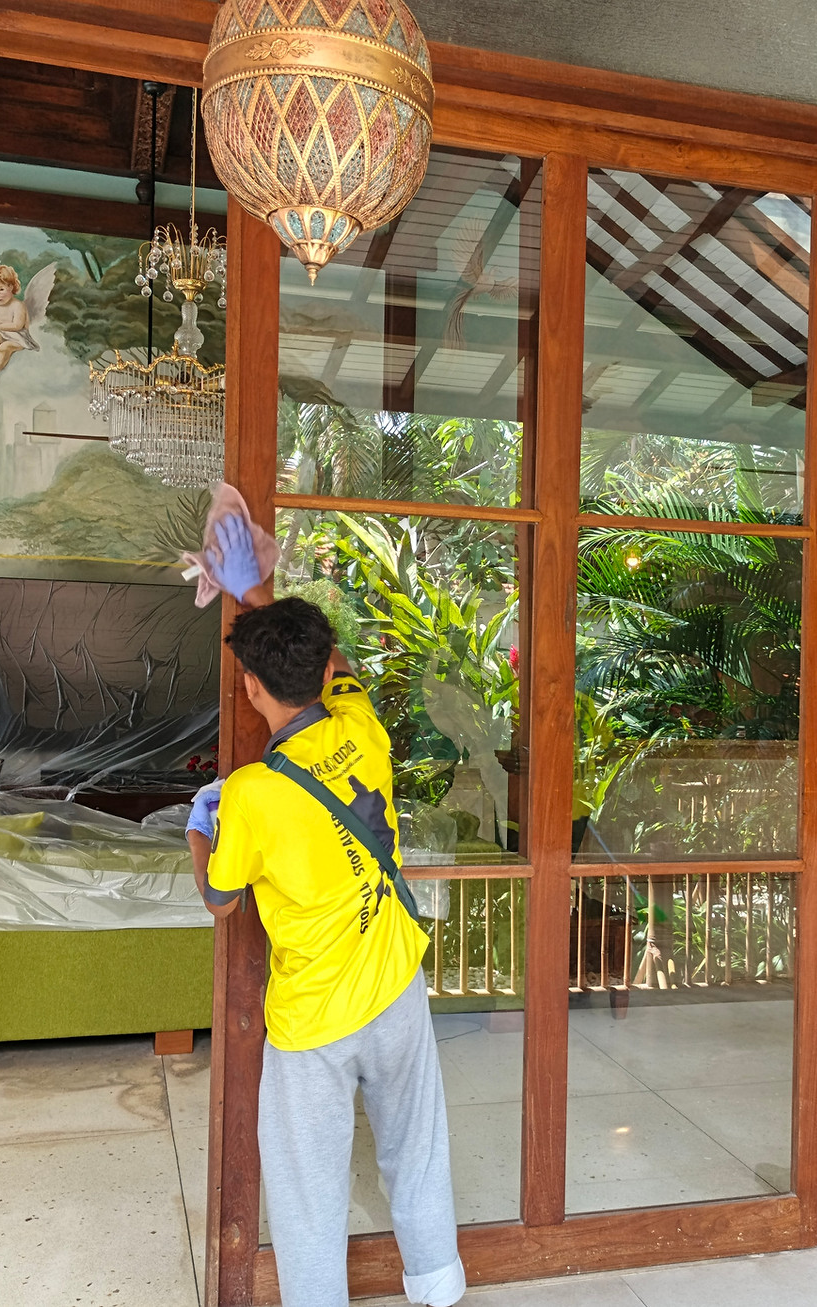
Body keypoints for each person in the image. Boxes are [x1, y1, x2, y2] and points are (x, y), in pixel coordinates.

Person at [185, 514, 465, 1307]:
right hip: (398, 990)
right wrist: (258, 596)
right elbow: (332, 661)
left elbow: (218, 897)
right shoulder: (361, 726)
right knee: (416, 1149)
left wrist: (197, 829)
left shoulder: (250, 795)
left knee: (309, 1186)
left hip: (316, 1022)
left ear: (248, 686)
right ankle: (438, 1289)